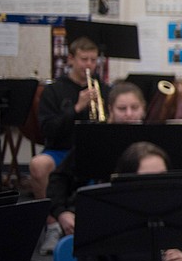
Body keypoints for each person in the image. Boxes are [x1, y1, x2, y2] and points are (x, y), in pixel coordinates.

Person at [29, 36, 107, 252]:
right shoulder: (54, 91)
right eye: (84, 59)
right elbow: (48, 130)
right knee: (38, 165)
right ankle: (52, 224)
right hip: (60, 150)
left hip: (91, 151)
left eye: (93, 60)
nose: (89, 65)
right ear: (71, 59)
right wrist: (76, 108)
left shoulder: (104, 89)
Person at [47, 82, 147, 238]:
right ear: (110, 110)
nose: (129, 114)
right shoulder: (94, 139)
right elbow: (58, 178)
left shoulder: (151, 142)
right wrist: (61, 213)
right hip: (98, 214)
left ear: (143, 109)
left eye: (135, 108)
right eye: (122, 109)